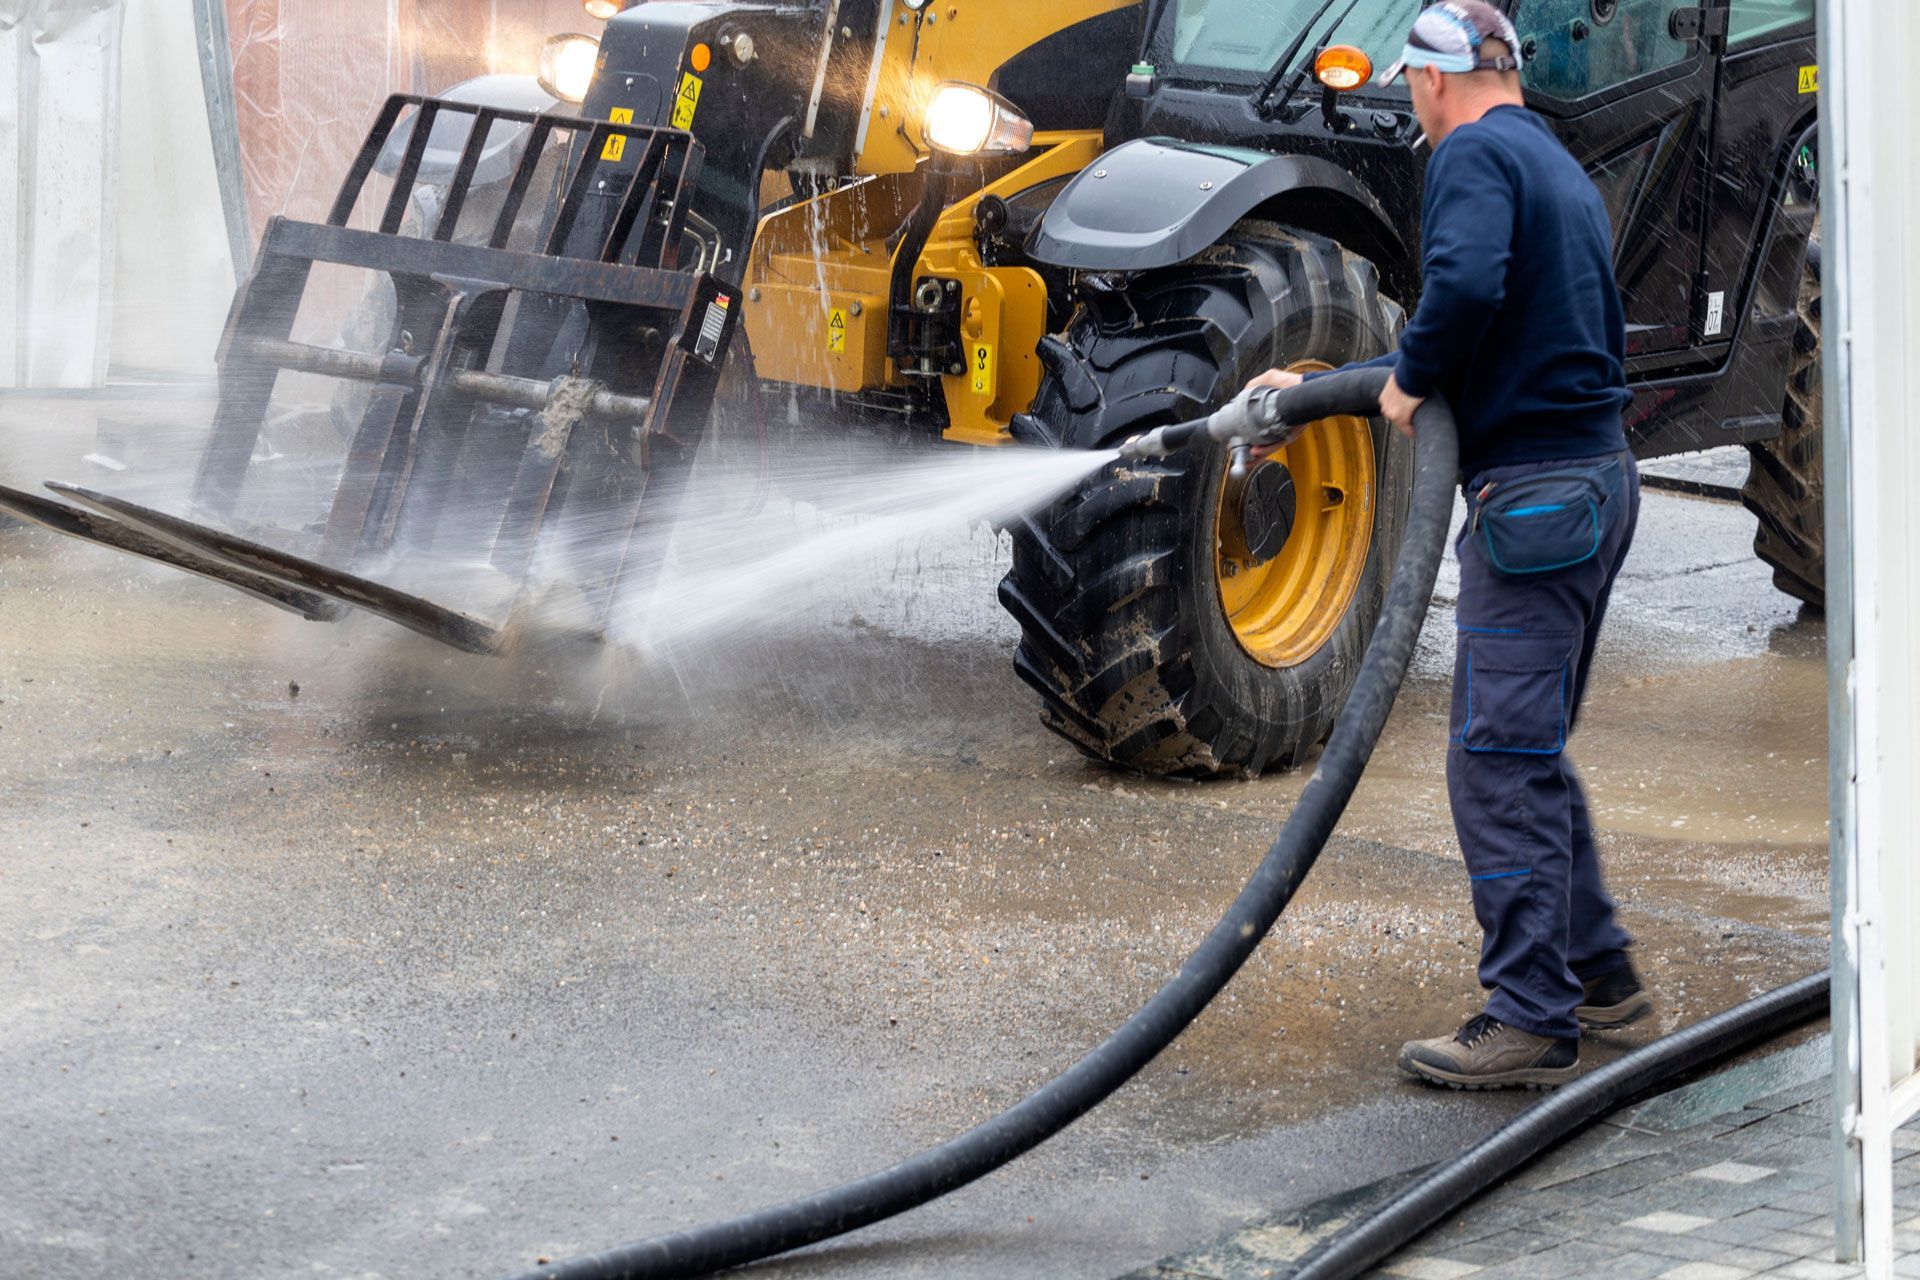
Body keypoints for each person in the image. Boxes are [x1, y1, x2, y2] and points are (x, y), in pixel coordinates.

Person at [1244, 0, 1651, 1089]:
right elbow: (1527, 324)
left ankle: (1530, 1014)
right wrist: (1322, 390)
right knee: (1531, 750)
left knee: (1495, 762)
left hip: (1535, 500)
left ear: (1431, 83)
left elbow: (1464, 291)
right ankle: (1603, 980)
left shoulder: (1469, 156)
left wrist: (1412, 377)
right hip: (1596, 480)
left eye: (1410, 93)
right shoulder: (1552, 164)